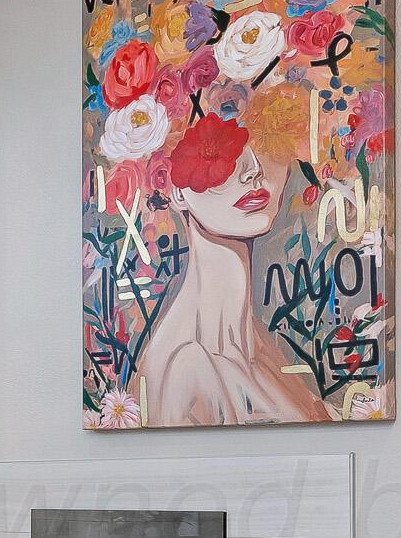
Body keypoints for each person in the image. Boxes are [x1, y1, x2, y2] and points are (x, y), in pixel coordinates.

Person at [135, 114, 328, 425]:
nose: (254, 169)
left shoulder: (255, 345)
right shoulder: (187, 365)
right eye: (221, 152)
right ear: (176, 190)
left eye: (268, 140)